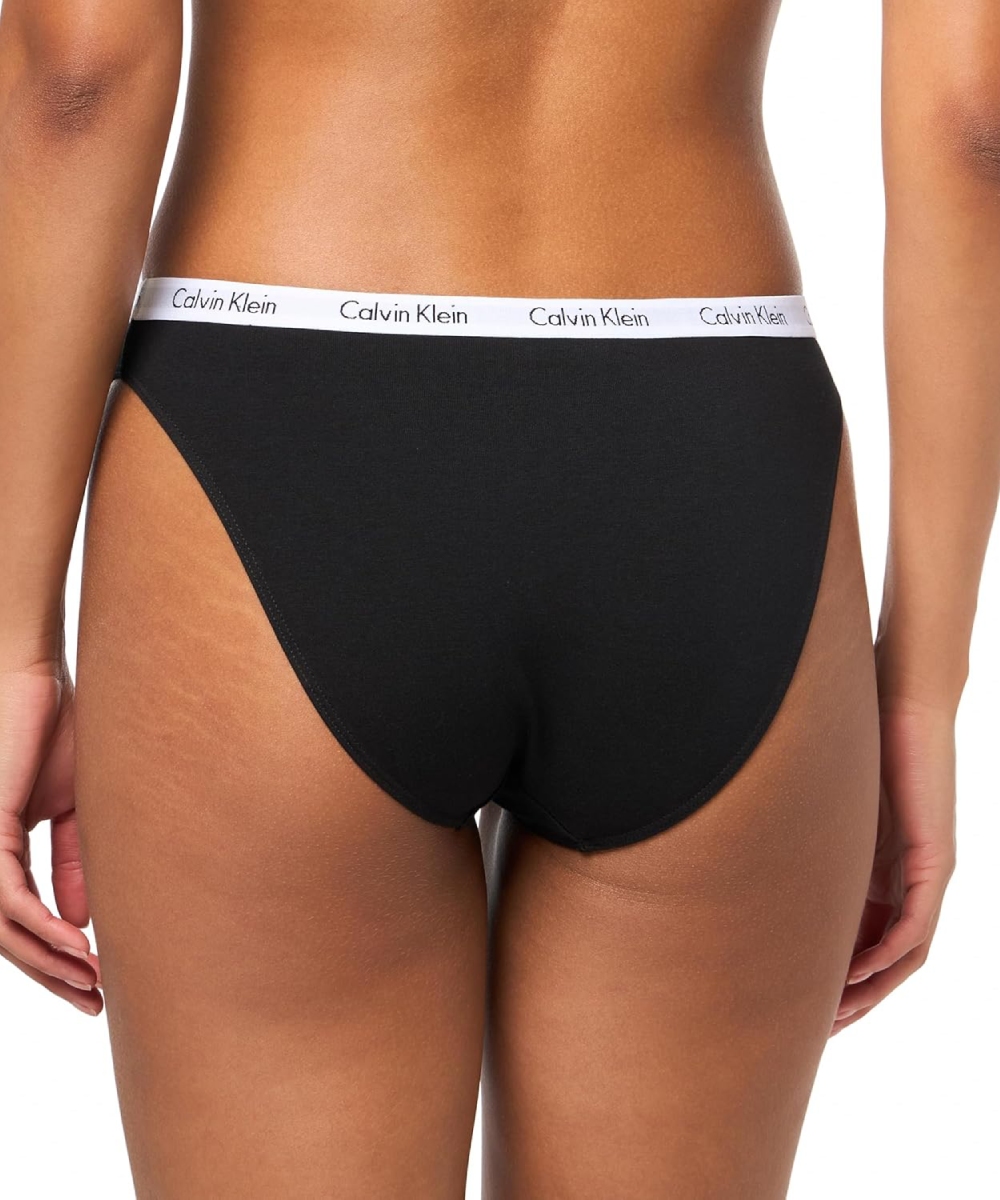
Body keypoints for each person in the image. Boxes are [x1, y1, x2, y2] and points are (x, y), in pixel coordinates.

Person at [0, 0, 996, 1195]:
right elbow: (975, 125)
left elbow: (80, 75)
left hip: (280, 414)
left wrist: (16, 645)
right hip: (712, 455)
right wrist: (922, 686)